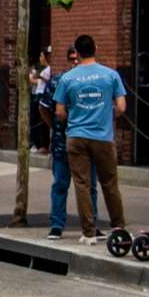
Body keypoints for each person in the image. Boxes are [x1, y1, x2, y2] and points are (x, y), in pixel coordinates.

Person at [53, 34, 127, 243]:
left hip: (76, 136)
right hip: (103, 136)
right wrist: (106, 115)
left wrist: (73, 119)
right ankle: (118, 226)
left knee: (82, 184)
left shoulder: (67, 78)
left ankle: (88, 232)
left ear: (76, 52)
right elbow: (121, 107)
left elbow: (59, 111)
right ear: (95, 47)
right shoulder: (111, 75)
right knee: (110, 183)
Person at [46, 43, 100, 241]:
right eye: (72, 58)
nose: (75, 61)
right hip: (63, 143)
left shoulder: (95, 80)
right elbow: (45, 108)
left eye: (78, 57)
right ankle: (57, 224)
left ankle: (91, 223)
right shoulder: (60, 81)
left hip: (87, 141)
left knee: (89, 186)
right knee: (61, 183)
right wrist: (55, 126)